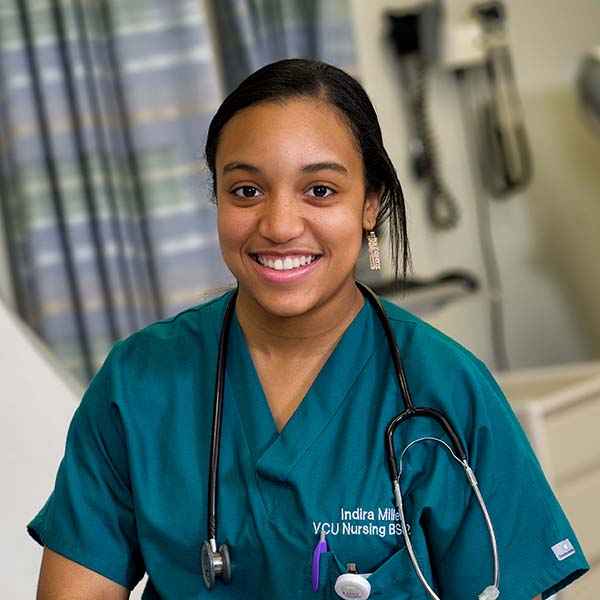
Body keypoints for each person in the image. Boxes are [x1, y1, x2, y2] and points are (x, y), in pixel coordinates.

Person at [29, 59, 588, 600]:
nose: (278, 225)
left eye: (320, 190)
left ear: (371, 204)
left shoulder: (448, 392)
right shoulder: (138, 384)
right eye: (246, 190)